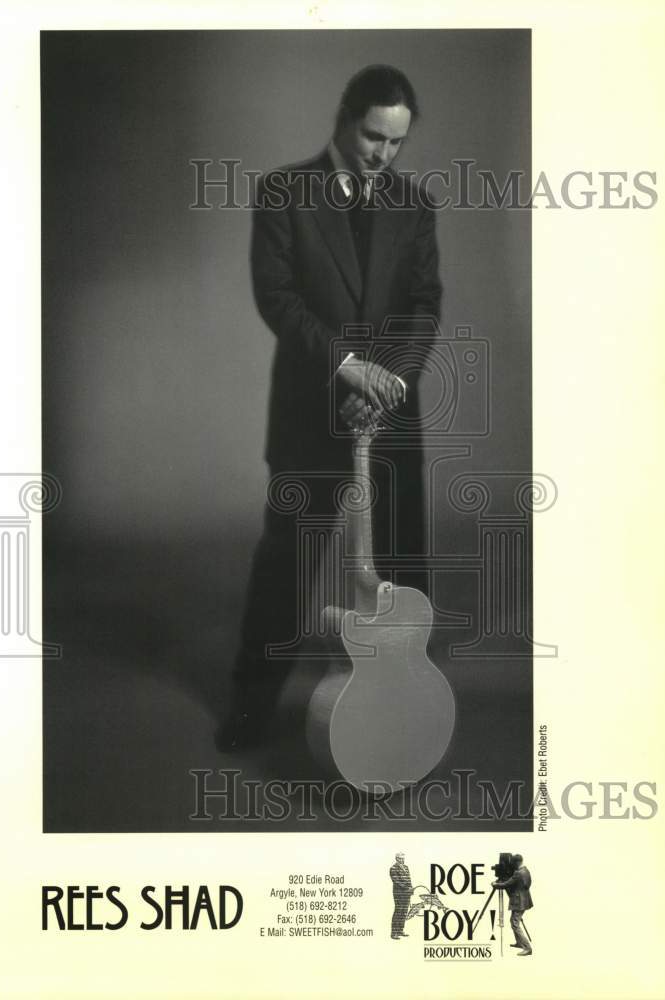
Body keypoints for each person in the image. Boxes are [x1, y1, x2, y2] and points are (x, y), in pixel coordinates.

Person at [216, 64, 442, 752]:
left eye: (396, 142)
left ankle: (404, 711)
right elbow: (277, 299)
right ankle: (251, 710)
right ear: (344, 120)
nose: (383, 154)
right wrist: (349, 366)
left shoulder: (415, 204)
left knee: (403, 570)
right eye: (373, 137)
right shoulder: (283, 192)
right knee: (287, 565)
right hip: (309, 409)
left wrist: (392, 380)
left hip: (391, 412)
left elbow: (423, 304)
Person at [492, 853, 533, 955]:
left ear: (517, 863)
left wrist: (496, 884)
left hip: (519, 902)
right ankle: (519, 943)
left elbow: (506, 884)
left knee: (515, 924)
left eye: (513, 863)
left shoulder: (518, 873)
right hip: (524, 900)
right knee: (513, 921)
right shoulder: (526, 870)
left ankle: (528, 948)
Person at [389, 852, 414, 939]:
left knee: (404, 912)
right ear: (396, 859)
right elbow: (396, 881)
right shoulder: (393, 868)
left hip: (407, 893)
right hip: (399, 893)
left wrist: (411, 889)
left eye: (403, 858)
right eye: (400, 858)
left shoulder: (406, 867)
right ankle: (394, 933)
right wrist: (407, 888)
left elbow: (409, 879)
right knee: (398, 911)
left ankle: (400, 930)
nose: (402, 860)